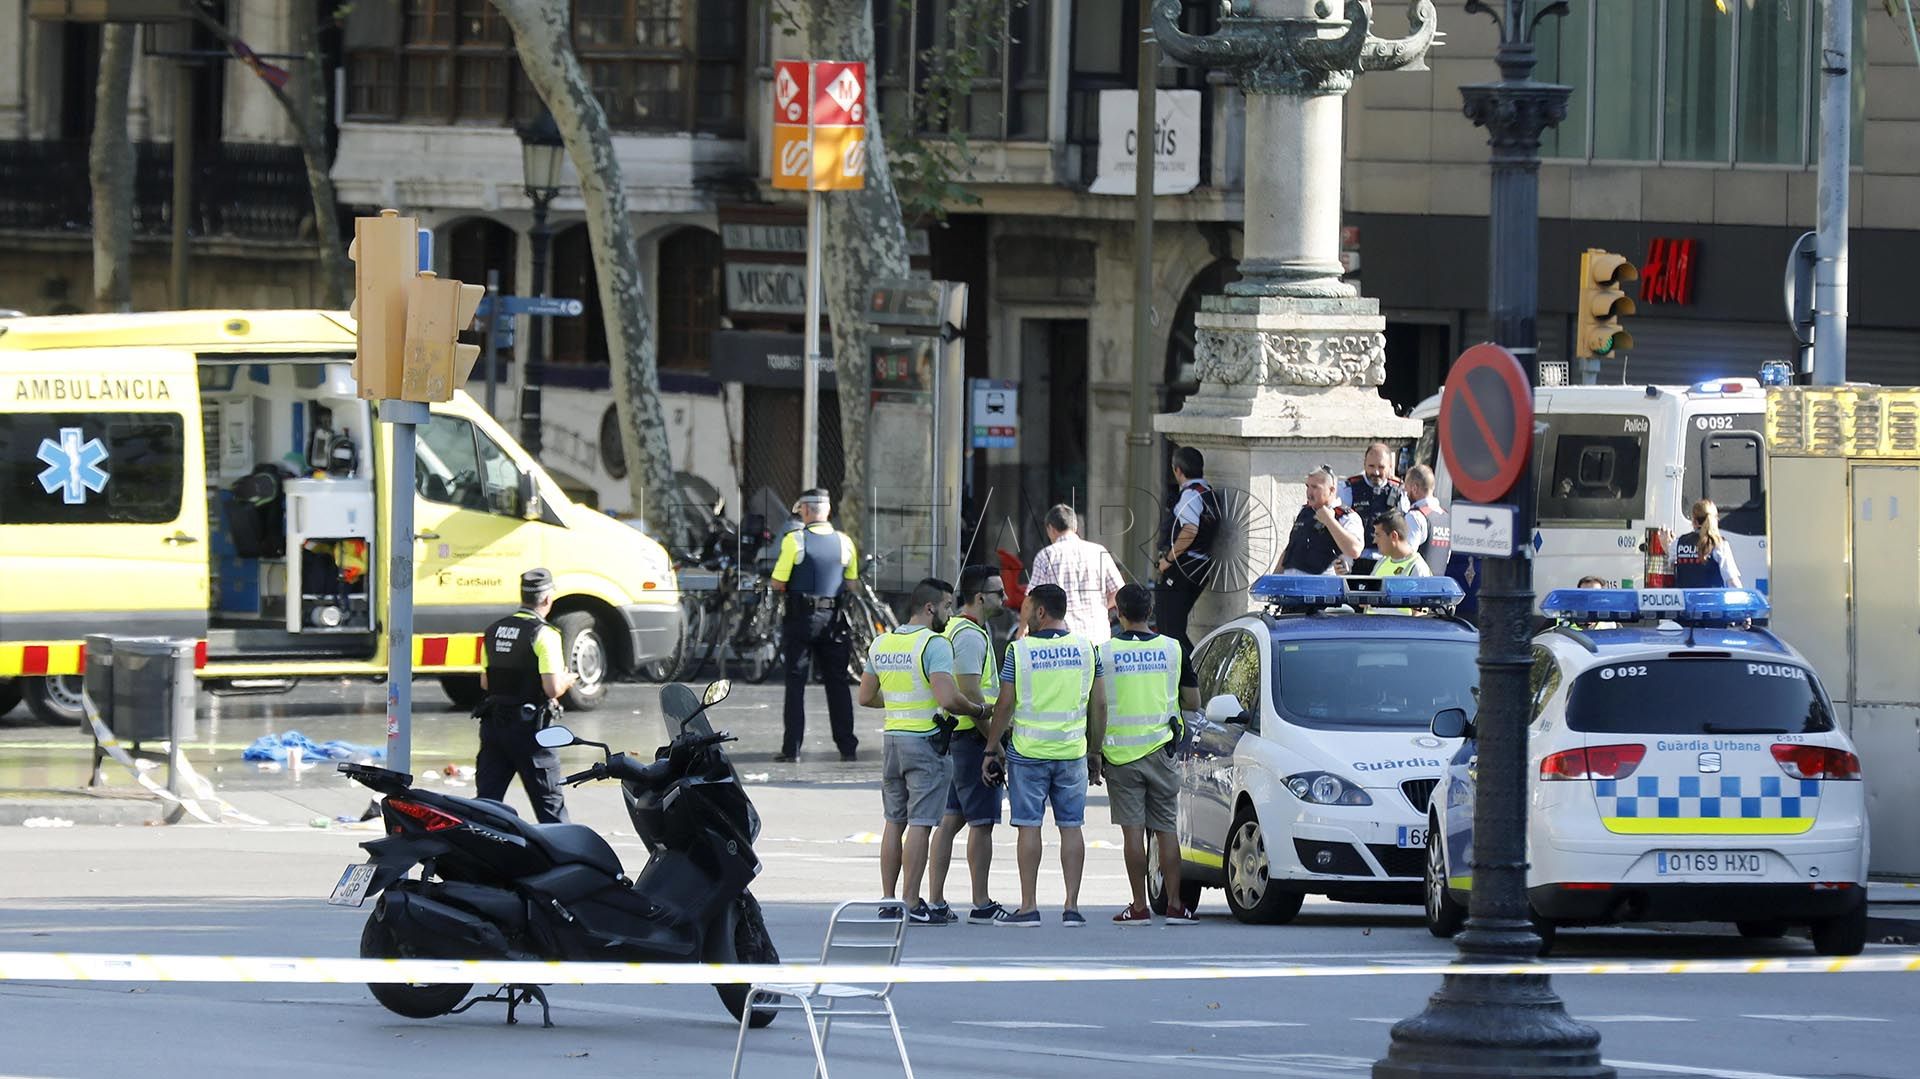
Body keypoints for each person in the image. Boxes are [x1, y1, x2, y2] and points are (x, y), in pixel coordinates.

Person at [858, 578, 993, 925]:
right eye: (947, 606)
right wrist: (979, 711)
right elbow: (948, 698)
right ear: (930, 607)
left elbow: (866, 696)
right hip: (926, 742)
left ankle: (889, 900)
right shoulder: (934, 644)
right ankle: (912, 902)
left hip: (892, 740)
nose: (950, 613)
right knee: (921, 824)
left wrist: (904, 699)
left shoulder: (882, 642)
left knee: (893, 821)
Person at [982, 583, 1106, 928]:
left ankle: (1029, 907)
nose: (1021, 614)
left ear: (1040, 612)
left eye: (1025, 608)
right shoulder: (1087, 649)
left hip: (1028, 754)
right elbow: (1099, 704)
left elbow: (1005, 704)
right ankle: (1071, 907)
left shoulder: (1018, 652)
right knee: (1071, 827)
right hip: (1072, 752)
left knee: (1029, 827)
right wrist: (1095, 749)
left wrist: (992, 748)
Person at [1100, 585, 1199, 926]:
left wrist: (1093, 750)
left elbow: (1096, 705)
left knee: (1132, 833)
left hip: (1120, 755)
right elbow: (1193, 702)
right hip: (1162, 751)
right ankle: (1174, 904)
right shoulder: (1173, 649)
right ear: (1151, 610)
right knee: (1166, 831)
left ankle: (1139, 906)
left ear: (1119, 613)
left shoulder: (1104, 653)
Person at [927, 565, 1008, 925]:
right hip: (972, 738)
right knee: (982, 822)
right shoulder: (971, 635)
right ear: (979, 597)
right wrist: (993, 741)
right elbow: (971, 690)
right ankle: (981, 902)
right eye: (998, 593)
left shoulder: (959, 628)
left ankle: (935, 900)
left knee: (951, 820)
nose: (1005, 599)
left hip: (956, 737)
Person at [475, 568, 575, 824]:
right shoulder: (544, 634)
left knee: (486, 807)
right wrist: (567, 681)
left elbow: (486, 683)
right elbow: (552, 688)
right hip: (530, 733)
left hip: (494, 727)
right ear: (546, 599)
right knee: (551, 810)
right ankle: (564, 861)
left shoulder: (493, 630)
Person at [770, 488, 859, 763]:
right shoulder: (845, 542)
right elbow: (852, 583)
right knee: (838, 684)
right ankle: (847, 746)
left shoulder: (794, 540)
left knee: (795, 683)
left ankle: (792, 748)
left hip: (801, 619)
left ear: (805, 511)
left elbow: (778, 582)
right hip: (833, 622)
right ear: (828, 511)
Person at [1154, 446, 1221, 685]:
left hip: (1183, 568)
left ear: (1178, 470)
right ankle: (1193, 675)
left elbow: (1190, 530)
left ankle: (1200, 675)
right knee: (1173, 627)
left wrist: (1167, 560)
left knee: (1169, 629)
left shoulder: (1191, 495)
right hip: (1199, 567)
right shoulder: (1207, 492)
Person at [1026, 504, 1125, 646]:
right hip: (1097, 637)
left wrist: (1024, 627)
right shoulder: (1098, 552)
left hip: (1063, 641)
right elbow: (1119, 591)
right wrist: (1101, 605)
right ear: (1075, 527)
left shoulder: (1045, 556)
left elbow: (1031, 599)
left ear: (1050, 529)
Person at [1274, 467, 1365, 576]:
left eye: (1315, 487)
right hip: (1292, 585)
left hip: (1322, 586)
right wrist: (1273, 579)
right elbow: (1291, 548)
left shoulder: (1346, 516)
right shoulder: (1305, 512)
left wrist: (1330, 521)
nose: (1309, 493)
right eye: (1307, 486)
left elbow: (1355, 550)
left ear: (1331, 490)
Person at [1344, 442, 1410, 551]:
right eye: (1371, 466)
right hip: (1357, 557)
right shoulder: (1349, 488)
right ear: (1364, 464)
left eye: (1381, 467)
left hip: (1386, 557)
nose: (1376, 472)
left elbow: (1406, 528)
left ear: (1390, 467)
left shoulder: (1399, 491)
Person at [1673, 499, 1744, 588]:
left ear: (1694, 521)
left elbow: (1670, 556)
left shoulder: (1679, 543)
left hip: (1687, 601)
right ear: (1715, 520)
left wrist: (1665, 542)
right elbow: (1732, 582)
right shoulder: (1719, 545)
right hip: (1713, 600)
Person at [1405, 464, 1451, 575]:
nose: (1405, 493)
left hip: (1417, 587)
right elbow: (1446, 557)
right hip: (1438, 587)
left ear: (1414, 488)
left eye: (1406, 488)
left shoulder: (1415, 516)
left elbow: (1407, 556)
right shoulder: (1446, 517)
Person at [1369, 511, 1430, 577]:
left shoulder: (1417, 568)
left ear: (1394, 536)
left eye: (1378, 535)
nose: (1374, 541)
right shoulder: (1382, 562)